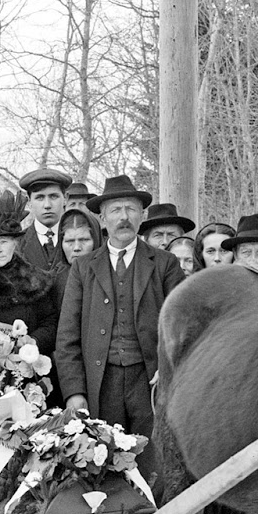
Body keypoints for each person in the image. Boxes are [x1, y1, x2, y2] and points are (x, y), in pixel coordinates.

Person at [54, 175, 184, 474]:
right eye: (115, 210)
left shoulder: (165, 264)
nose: (124, 217)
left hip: (149, 382)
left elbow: (180, 329)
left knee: (154, 466)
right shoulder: (84, 268)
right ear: (102, 218)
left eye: (131, 209)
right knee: (102, 465)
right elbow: (67, 337)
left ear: (143, 215)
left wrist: (167, 367)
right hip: (102, 382)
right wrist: (75, 391)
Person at [0, 209, 60, 360]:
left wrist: (33, 342)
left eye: (4, 242)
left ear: (14, 243)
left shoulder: (34, 279)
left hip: (27, 368)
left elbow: (50, 323)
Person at [18, 168, 73, 273]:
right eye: (39, 198)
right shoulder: (17, 244)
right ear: (29, 201)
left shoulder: (80, 240)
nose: (47, 205)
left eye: (53, 196)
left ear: (65, 198)